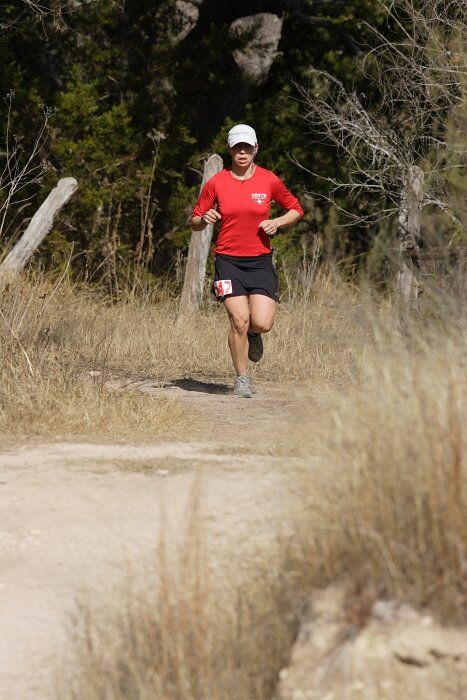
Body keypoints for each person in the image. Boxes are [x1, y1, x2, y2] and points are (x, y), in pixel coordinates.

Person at [190, 123, 303, 398]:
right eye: (237, 147)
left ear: (256, 149)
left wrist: (277, 222)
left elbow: (296, 209)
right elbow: (193, 220)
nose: (242, 152)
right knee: (239, 320)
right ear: (229, 150)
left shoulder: (269, 180)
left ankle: (254, 335)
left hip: (260, 261)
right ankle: (242, 379)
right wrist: (203, 218)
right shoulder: (216, 182)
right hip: (227, 260)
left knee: (261, 322)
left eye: (247, 147)